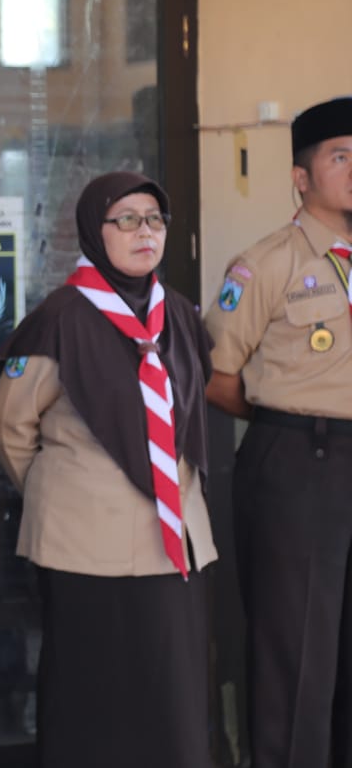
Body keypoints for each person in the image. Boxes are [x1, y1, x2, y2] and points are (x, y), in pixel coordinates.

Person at [0, 172, 217, 768]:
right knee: (95, 696)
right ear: (95, 229)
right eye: (128, 219)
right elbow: (10, 427)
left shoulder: (181, 316)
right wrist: (61, 496)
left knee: (173, 694)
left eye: (155, 219)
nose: (145, 232)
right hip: (83, 542)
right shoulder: (60, 316)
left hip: (173, 540)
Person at [203, 96, 352, 768]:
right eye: (341, 156)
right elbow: (215, 373)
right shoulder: (265, 264)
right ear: (302, 176)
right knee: (295, 653)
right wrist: (285, 417)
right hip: (299, 461)